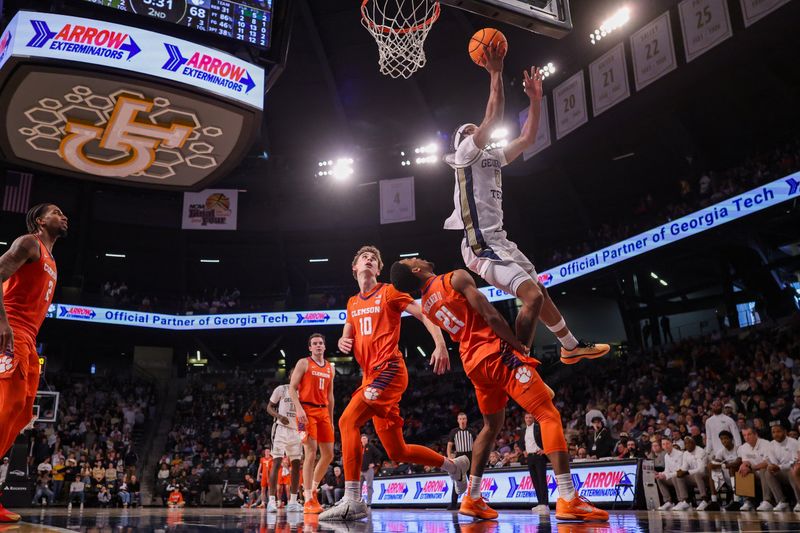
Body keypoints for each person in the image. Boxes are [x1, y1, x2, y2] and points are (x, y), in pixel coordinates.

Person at [390, 259, 607, 522]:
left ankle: (472, 497)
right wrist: (517, 345)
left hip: (472, 363)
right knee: (548, 415)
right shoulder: (454, 278)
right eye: (412, 260)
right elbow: (491, 315)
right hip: (495, 352)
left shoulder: (428, 306)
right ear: (415, 270)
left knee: (490, 427)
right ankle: (568, 498)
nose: (419, 258)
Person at [442, 44, 608, 363]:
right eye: (469, 130)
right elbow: (493, 115)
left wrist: (535, 100)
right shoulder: (464, 155)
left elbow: (528, 139)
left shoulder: (490, 156)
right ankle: (516, 361)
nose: (476, 129)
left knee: (539, 291)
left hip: (499, 240)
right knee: (530, 296)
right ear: (461, 141)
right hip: (479, 244)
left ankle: (570, 346)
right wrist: (495, 71)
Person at [319, 246, 470, 522]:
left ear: (378, 269)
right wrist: (342, 340)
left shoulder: (389, 291)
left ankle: (353, 499)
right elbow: (348, 331)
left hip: (389, 371)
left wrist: (439, 343)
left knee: (346, 421)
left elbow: (424, 312)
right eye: (364, 257)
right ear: (355, 268)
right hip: (371, 378)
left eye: (374, 259)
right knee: (396, 450)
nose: (369, 260)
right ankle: (454, 467)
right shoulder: (352, 303)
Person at [0, 204, 65, 522]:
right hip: (9, 330)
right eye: (56, 212)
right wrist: (1, 322)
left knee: (21, 413)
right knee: (5, 408)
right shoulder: (29, 242)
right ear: (40, 221)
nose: (63, 216)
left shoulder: (52, 260)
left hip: (28, 338)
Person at [289, 333, 335, 514]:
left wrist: (331, 419)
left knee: (329, 454)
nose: (318, 345)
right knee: (311, 451)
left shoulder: (330, 368)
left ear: (324, 346)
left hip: (323, 412)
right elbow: (292, 388)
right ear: (310, 347)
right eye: (314, 343)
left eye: (320, 343)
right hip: (306, 411)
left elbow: (331, 396)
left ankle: (311, 489)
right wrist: (298, 409)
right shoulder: (303, 363)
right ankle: (308, 498)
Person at [267, 372, 304, 512]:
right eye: (294, 373)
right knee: (276, 462)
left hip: (296, 430)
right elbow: (269, 407)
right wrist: (279, 416)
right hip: (281, 428)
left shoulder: (304, 392)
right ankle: (272, 501)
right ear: (290, 376)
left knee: (296, 465)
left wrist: (303, 432)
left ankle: (293, 502)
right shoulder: (281, 389)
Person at [763, 420, 800, 512]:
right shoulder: (770, 445)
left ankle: (799, 502)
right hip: (782, 472)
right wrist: (771, 466)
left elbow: (795, 461)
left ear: (785, 432)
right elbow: (773, 462)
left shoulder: (793, 442)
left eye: (778, 431)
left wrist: (780, 467)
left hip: (793, 470)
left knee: (793, 470)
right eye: (773, 432)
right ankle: (782, 501)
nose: (776, 434)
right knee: (768, 472)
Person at [519, 412, 549, 514]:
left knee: (541, 480)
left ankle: (545, 504)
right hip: (530, 458)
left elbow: (546, 438)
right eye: (526, 417)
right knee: (535, 481)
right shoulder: (523, 430)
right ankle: (540, 503)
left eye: (530, 417)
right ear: (524, 419)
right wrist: (523, 450)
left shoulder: (538, 427)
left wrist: (544, 449)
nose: (528, 419)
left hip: (539, 456)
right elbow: (521, 442)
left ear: (533, 418)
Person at [737, 426, 771, 511]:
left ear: (755, 434)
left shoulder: (766, 444)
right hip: (755, 472)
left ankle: (767, 501)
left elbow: (766, 463)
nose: (746, 437)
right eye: (744, 435)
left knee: (763, 470)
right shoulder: (744, 447)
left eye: (749, 434)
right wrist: (744, 466)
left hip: (767, 471)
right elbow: (745, 461)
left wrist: (751, 468)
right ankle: (748, 501)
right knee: (742, 470)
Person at [447, 412, 476, 510]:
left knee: (472, 481)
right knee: (457, 481)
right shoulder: (454, 432)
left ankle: (474, 503)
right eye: (460, 419)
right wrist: (449, 457)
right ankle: (453, 504)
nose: (462, 421)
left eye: (464, 419)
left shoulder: (472, 431)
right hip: (459, 457)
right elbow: (450, 445)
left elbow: (476, 445)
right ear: (458, 420)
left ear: (466, 420)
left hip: (470, 456)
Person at [707, 430, 741, 511]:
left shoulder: (738, 449)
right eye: (721, 439)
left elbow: (736, 463)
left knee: (732, 469)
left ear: (731, 439)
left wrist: (722, 465)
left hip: (739, 477)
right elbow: (713, 464)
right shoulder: (721, 451)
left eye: (726, 438)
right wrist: (716, 464)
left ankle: (736, 501)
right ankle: (714, 501)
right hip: (727, 477)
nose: (724, 441)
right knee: (712, 470)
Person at [360, 435, 381, 506]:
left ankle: (369, 502)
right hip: (360, 470)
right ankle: (358, 502)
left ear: (367, 439)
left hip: (368, 470)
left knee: (369, 486)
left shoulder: (371, 447)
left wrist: (374, 463)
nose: (364, 439)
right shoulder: (359, 447)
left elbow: (379, 454)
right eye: (363, 438)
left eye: (365, 438)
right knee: (358, 486)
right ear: (360, 440)